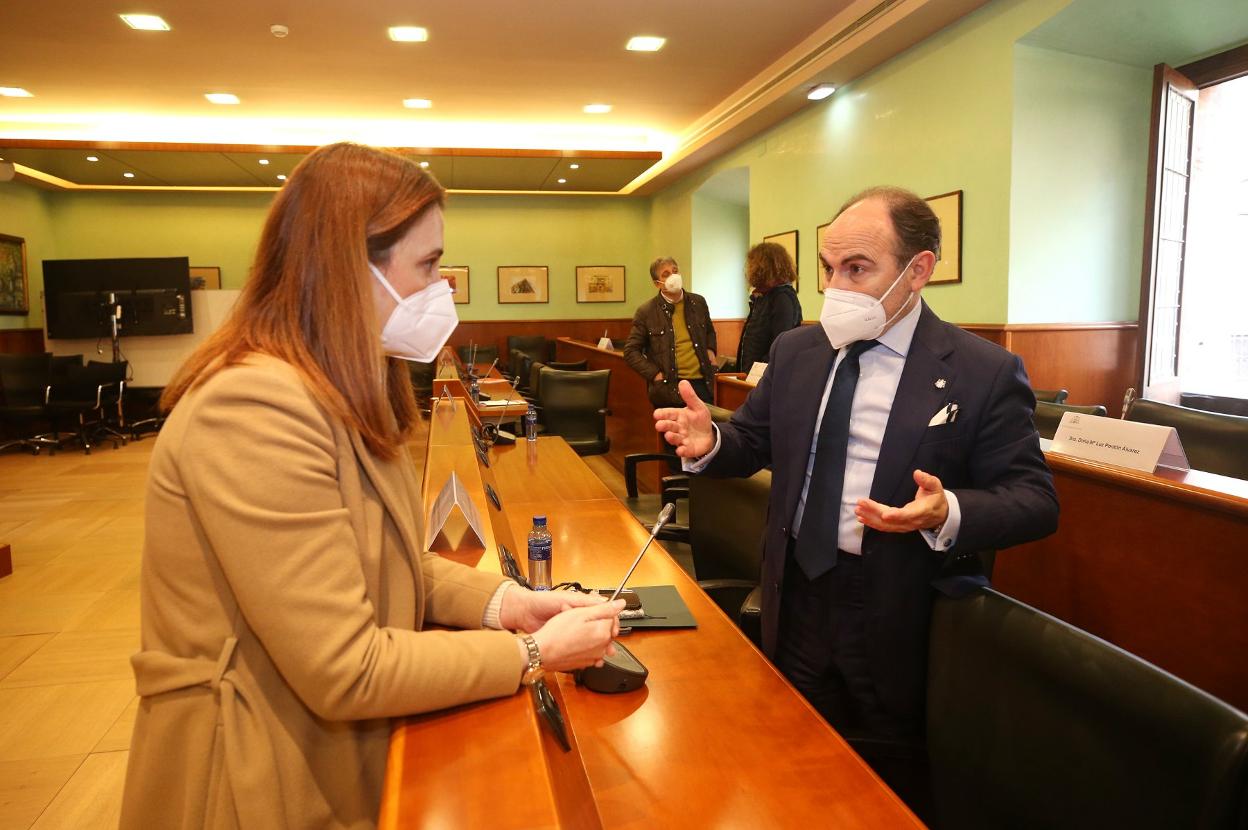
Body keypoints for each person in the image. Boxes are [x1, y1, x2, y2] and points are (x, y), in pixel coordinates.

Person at [121, 142, 624, 830]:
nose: (443, 288)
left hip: (320, 746)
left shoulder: (337, 384)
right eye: (428, 265)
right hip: (251, 775)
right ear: (346, 269)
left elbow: (388, 557)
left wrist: (511, 604)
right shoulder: (253, 408)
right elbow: (345, 667)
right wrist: (532, 653)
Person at [653, 186, 1057, 816]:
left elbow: (1034, 499)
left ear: (917, 271)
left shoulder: (983, 371)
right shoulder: (797, 351)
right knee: (790, 757)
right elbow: (751, 443)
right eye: (828, 268)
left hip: (897, 602)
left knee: (883, 783)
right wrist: (711, 442)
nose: (835, 287)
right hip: (796, 587)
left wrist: (948, 511)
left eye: (858, 268)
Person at [623, 256, 718, 407]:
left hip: (702, 383)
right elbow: (630, 352)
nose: (673, 276)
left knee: (704, 429)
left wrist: (711, 350)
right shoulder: (646, 311)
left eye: (675, 271)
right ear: (657, 283)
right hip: (669, 386)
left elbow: (709, 331)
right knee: (674, 430)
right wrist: (655, 375)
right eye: (666, 274)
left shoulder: (698, 302)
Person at [736, 241, 803, 375]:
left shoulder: (782, 298)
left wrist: (758, 371)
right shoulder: (764, 296)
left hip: (765, 377)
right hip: (752, 374)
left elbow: (781, 344)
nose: (749, 270)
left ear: (763, 267)